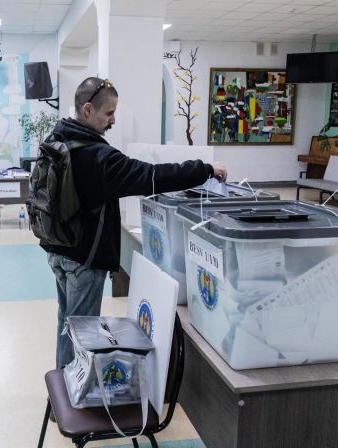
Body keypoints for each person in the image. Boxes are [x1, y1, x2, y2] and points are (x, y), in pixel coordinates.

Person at [43, 77, 228, 369]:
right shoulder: (97, 156)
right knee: (83, 331)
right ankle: (72, 388)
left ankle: (62, 384)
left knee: (67, 322)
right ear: (88, 109)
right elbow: (151, 176)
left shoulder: (58, 138)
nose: (113, 120)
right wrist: (204, 169)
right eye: (109, 113)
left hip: (58, 250)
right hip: (84, 259)